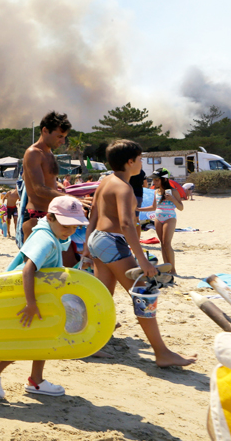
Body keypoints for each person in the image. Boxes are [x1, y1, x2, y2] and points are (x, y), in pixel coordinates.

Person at [81, 139, 196, 368]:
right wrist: (143, 261)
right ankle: (161, 352)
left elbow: (93, 213)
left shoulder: (105, 181)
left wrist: (86, 248)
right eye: (141, 158)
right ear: (130, 161)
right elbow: (125, 224)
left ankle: (89, 341)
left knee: (102, 295)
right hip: (113, 241)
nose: (142, 162)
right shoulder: (123, 187)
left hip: (98, 240)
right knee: (144, 291)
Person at [0, 196, 89, 399]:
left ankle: (36, 380)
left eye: (75, 227)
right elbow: (28, 269)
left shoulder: (52, 234)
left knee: (44, 335)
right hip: (24, 296)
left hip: (36, 294)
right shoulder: (45, 239)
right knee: (27, 338)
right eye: (66, 225)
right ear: (50, 217)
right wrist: (31, 303)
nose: (70, 231)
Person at [22, 112, 72, 241]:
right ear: (45, 130)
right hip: (36, 215)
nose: (63, 141)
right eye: (59, 136)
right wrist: (70, 198)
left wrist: (57, 185)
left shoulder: (48, 153)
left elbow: (26, 176)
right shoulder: (34, 153)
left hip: (51, 214)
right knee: (33, 260)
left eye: (64, 137)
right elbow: (39, 189)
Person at [138, 169, 184, 275]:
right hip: (158, 218)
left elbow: (181, 207)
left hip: (169, 217)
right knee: (162, 244)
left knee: (167, 243)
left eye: (157, 180)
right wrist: (138, 209)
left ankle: (173, 270)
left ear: (165, 179)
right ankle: (166, 267)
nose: (154, 182)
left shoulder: (174, 191)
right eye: (154, 180)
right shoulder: (156, 191)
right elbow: (153, 207)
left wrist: (172, 199)